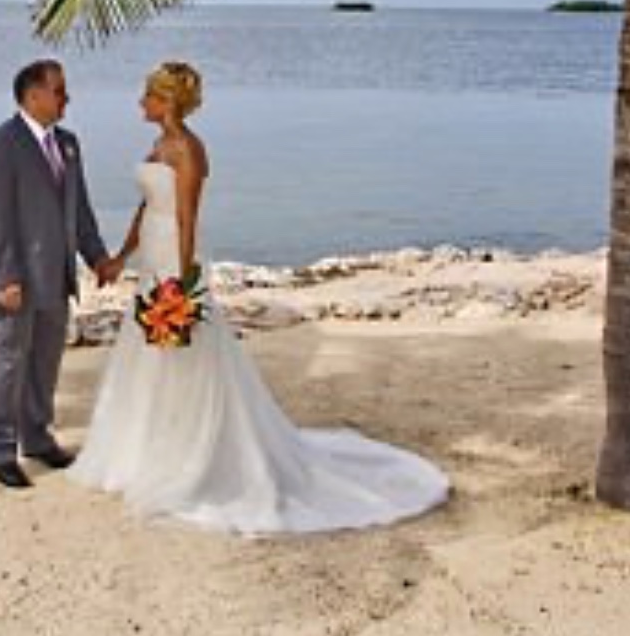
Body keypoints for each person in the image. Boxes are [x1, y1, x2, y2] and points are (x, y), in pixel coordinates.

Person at [68, 61, 450, 534]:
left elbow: (187, 218)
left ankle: (188, 454)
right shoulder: (157, 145)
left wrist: (182, 282)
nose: (140, 103)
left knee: (184, 353)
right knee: (145, 352)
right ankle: (141, 449)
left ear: (166, 101)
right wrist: (122, 256)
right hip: (151, 252)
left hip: (174, 258)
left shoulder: (189, 149)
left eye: (147, 96)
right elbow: (147, 206)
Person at [0, 59, 121, 489]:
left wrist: (96, 257)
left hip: (58, 277)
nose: (66, 98)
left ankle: (37, 438)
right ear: (33, 95)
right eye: (59, 90)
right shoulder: (0, 146)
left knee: (45, 363)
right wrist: (6, 277)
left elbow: (80, 210)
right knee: (8, 365)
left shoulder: (69, 144)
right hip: (17, 281)